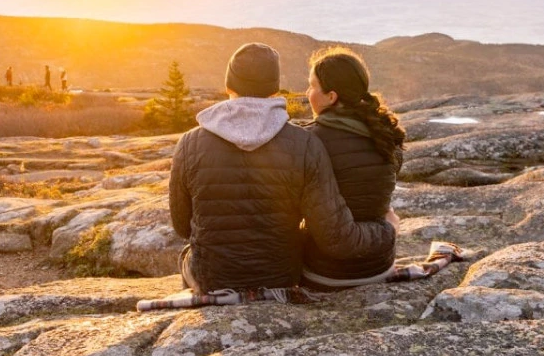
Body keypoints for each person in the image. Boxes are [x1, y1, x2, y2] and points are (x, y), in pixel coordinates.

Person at [169, 42, 396, 294]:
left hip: (213, 278)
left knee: (187, 256)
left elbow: (182, 226)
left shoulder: (189, 143)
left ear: (228, 86)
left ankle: (200, 307)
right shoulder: (304, 143)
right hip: (281, 275)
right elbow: (327, 227)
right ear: (274, 88)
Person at [302, 47, 406, 288]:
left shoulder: (309, 141)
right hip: (380, 266)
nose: (307, 92)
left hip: (325, 272)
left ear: (331, 97)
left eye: (312, 85)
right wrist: (389, 227)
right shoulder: (385, 134)